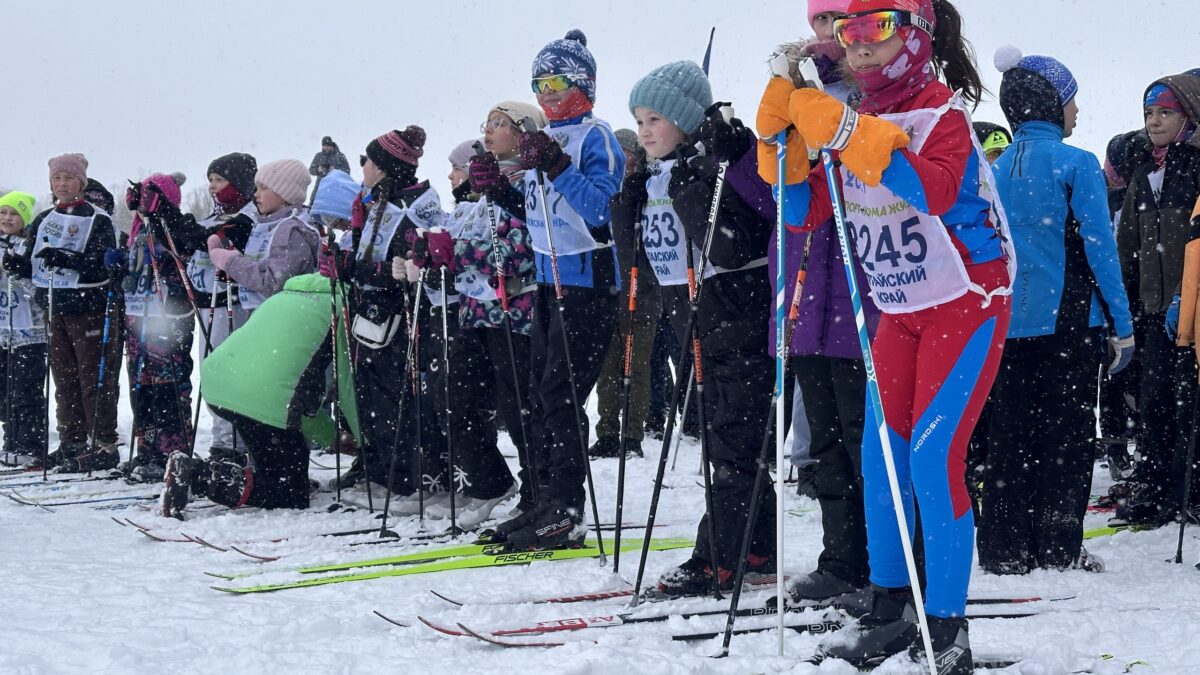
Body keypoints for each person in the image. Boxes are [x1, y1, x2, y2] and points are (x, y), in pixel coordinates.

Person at [759, 1, 1012, 670]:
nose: (860, 45)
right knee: (882, 460)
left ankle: (948, 626)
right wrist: (783, 147)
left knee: (933, 459)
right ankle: (890, 606)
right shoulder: (857, 121)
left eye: (878, 28)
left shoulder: (940, 113)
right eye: (850, 32)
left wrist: (844, 130)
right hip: (899, 309)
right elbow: (803, 211)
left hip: (966, 302)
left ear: (916, 35)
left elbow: (934, 191)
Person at [611, 60, 776, 594]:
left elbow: (733, 246)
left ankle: (720, 557)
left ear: (684, 120)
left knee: (731, 446)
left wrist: (690, 187)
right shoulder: (659, 174)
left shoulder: (716, 166)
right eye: (638, 121)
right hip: (692, 324)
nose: (644, 132)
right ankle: (756, 544)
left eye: (655, 119)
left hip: (737, 322)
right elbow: (638, 266)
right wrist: (627, 206)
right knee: (725, 443)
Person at [978, 48, 1133, 574]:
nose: (1077, 111)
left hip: (1006, 324)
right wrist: (1123, 325)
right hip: (1069, 322)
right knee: (1065, 438)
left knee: (1009, 436)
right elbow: (1100, 250)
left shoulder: (994, 168)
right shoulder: (1077, 163)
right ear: (1051, 104)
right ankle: (1057, 547)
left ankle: (1004, 549)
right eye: (1072, 100)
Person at [483, 30, 626, 550]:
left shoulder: (596, 137)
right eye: (539, 84)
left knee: (561, 395)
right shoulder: (544, 139)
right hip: (549, 280)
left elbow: (603, 213)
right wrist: (499, 190)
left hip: (588, 281)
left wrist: (557, 166)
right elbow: (540, 216)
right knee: (539, 396)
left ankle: (566, 508)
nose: (546, 94)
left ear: (583, 83)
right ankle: (542, 498)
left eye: (556, 82)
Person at [772, 0, 878, 604]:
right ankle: (841, 558)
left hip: (863, 288)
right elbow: (774, 184)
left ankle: (886, 564)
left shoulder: (875, 92)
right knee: (825, 442)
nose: (829, 31)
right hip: (807, 289)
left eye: (840, 17)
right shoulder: (797, 91)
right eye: (820, 18)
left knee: (867, 438)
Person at [166, 273, 360, 513]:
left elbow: (292, 389)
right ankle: (200, 476)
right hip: (264, 399)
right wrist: (363, 443)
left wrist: (330, 437)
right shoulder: (342, 308)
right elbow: (347, 384)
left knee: (275, 459)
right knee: (291, 496)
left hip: (222, 381)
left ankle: (264, 477)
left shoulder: (286, 295)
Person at [336, 126, 445, 511]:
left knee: (394, 399)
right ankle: (382, 469)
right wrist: (345, 263)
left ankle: (405, 478)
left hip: (398, 317)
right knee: (371, 396)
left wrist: (359, 269)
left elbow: (405, 266)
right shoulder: (381, 202)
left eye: (366, 161)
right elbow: (371, 258)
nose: (363, 167)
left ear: (383, 167)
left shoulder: (410, 206)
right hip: (373, 313)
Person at [1116, 72, 1200, 526]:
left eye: (1165, 112)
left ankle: (1191, 487)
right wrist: (1125, 303)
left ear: (1188, 116)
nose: (1154, 121)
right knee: (1155, 402)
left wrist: (1185, 297)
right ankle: (1155, 484)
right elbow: (1128, 242)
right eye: (1149, 112)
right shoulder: (1145, 170)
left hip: (1192, 311)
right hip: (1152, 309)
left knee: (1190, 404)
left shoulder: (1196, 165)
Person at [6, 153, 122, 471]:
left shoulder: (97, 218)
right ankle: (73, 441)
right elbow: (32, 263)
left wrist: (69, 259)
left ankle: (103, 443)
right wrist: (16, 264)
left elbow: (104, 265)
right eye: (56, 179)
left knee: (93, 379)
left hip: (89, 309)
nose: (61, 184)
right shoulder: (45, 218)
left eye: (68, 178)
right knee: (65, 379)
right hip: (55, 308)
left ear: (80, 182)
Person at [118, 173, 198, 483]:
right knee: (141, 386)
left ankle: (172, 450)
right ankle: (147, 448)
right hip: (138, 317)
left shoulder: (174, 225)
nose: (141, 207)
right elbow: (133, 271)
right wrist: (118, 267)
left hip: (168, 317)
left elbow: (185, 250)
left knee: (169, 386)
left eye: (147, 201)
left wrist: (163, 216)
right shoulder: (137, 231)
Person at [590, 127, 662, 460]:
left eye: (626, 152)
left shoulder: (647, 188)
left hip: (642, 294)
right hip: (610, 293)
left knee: (637, 367)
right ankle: (607, 432)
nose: (622, 159)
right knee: (607, 368)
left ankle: (632, 435)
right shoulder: (607, 192)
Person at [0, 191, 48, 466]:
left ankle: (30, 445)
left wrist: (19, 272)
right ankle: (11, 441)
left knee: (26, 389)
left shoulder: (30, 245)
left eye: (14, 214)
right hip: (2, 330)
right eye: (3, 212)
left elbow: (39, 289)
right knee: (5, 390)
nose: (7, 218)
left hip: (30, 330)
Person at [308, 136, 351, 203]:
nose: (326, 148)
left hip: (336, 187)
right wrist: (318, 170)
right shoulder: (318, 156)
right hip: (320, 187)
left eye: (328, 146)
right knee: (313, 204)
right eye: (324, 146)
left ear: (331, 145)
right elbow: (311, 170)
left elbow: (347, 171)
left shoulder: (340, 156)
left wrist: (335, 169)